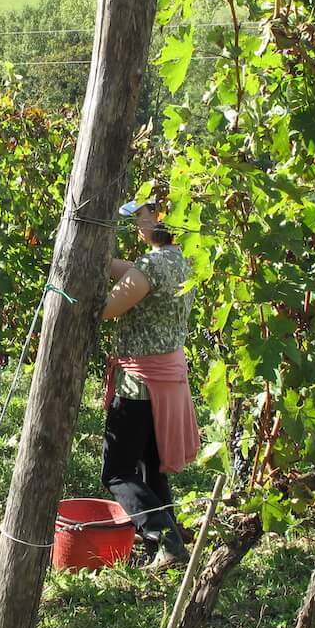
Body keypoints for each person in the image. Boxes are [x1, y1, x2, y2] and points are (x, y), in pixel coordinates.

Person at [100, 198, 201, 567]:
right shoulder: (182, 260)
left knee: (117, 471)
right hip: (168, 380)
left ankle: (164, 535)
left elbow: (106, 309)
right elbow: (135, 274)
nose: (137, 226)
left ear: (158, 217)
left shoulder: (152, 265)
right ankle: (168, 543)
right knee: (150, 468)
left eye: (139, 217)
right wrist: (100, 262)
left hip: (139, 385)